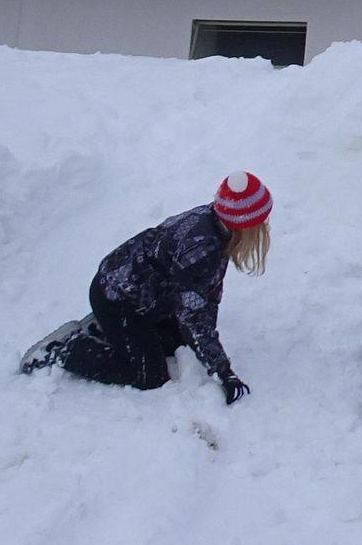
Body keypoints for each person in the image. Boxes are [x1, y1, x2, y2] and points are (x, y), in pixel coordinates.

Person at [19, 172, 272, 406]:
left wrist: (209, 348)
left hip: (143, 295)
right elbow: (194, 317)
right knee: (150, 375)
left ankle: (105, 330)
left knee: (178, 341)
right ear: (243, 224)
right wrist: (224, 372)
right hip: (116, 298)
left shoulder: (214, 223)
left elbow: (205, 298)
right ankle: (65, 349)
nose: (265, 226)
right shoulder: (202, 251)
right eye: (261, 221)